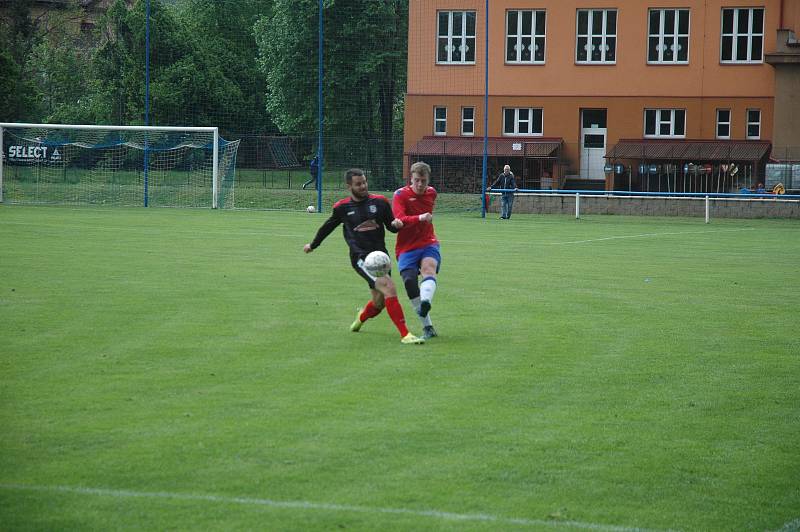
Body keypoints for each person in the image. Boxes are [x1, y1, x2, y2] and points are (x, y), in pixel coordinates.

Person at [304, 168, 424, 345]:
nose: (363, 186)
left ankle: (361, 317)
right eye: (358, 184)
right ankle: (405, 334)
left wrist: (397, 225)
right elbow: (327, 227)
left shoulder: (380, 202)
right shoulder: (342, 208)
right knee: (390, 287)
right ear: (349, 186)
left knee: (379, 303)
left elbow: (391, 226)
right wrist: (313, 245)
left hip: (381, 258)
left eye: (364, 182)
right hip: (361, 258)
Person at [392, 161, 440, 340]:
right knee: (409, 280)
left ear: (428, 180)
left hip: (429, 242)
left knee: (429, 269)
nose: (420, 185)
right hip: (406, 247)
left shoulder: (432, 193)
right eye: (417, 180)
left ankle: (426, 301)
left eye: (424, 181)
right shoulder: (400, 195)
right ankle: (428, 326)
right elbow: (400, 219)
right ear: (410, 179)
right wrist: (420, 218)